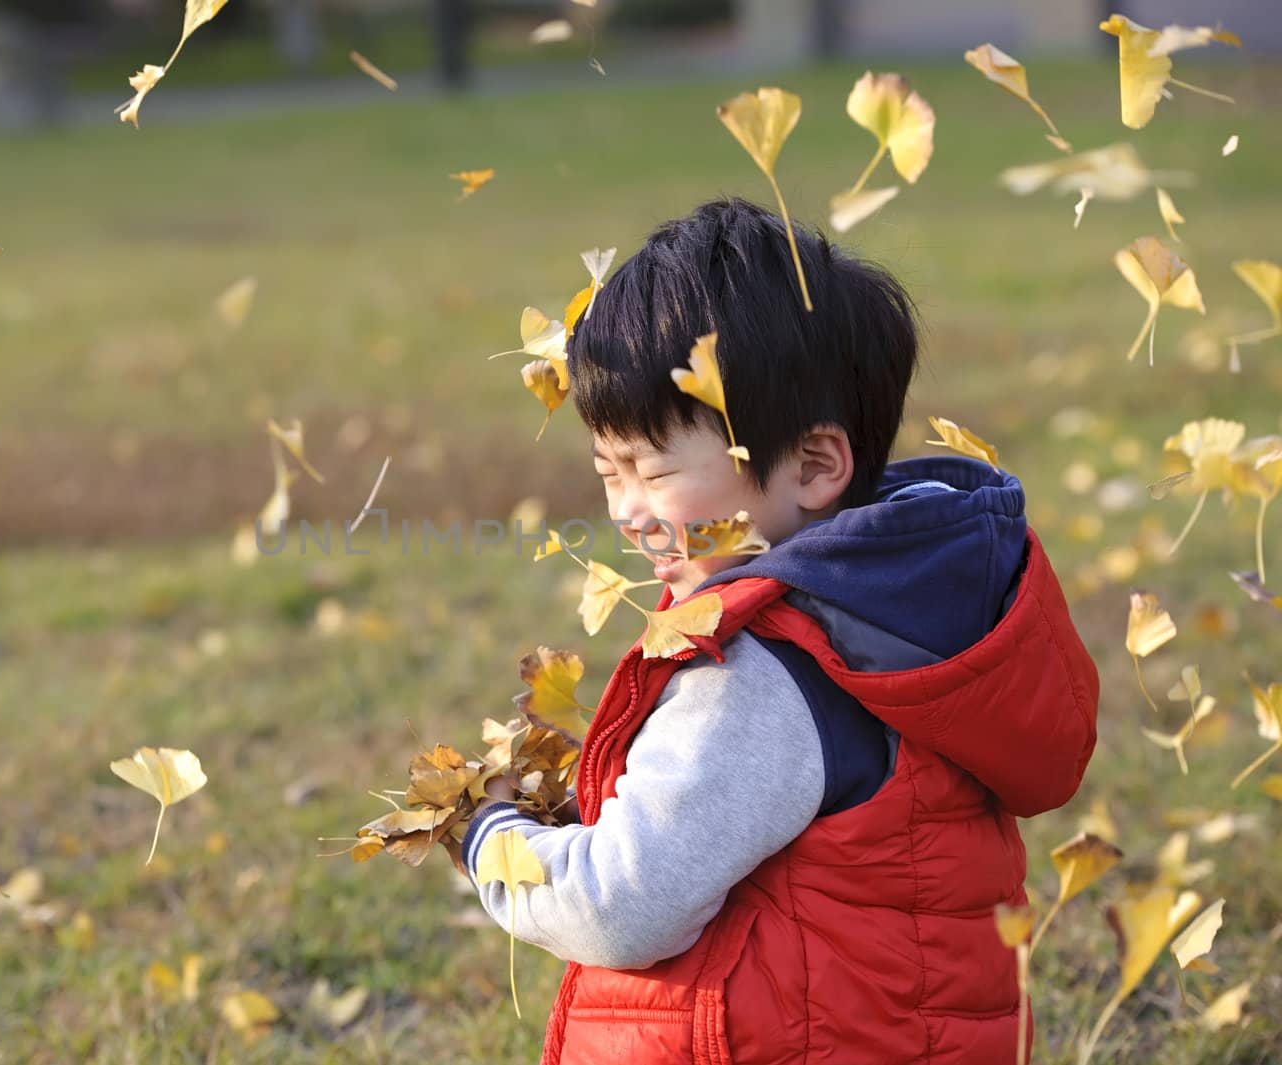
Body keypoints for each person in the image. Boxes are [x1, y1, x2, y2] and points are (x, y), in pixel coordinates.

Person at [459, 197, 1099, 1064]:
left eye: (653, 470)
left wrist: (491, 839)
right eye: (609, 471)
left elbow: (622, 906)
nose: (628, 514)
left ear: (814, 466)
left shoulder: (760, 675)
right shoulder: (909, 607)